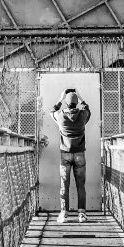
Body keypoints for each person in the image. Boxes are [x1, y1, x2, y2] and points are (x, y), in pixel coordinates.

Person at [49, 88, 91, 223]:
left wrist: (60, 99)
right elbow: (88, 110)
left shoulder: (60, 116)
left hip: (65, 154)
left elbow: (51, 111)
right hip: (79, 154)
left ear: (66, 103)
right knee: (81, 185)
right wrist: (80, 97)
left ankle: (64, 214)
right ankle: (82, 215)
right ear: (76, 103)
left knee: (64, 185)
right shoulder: (83, 115)